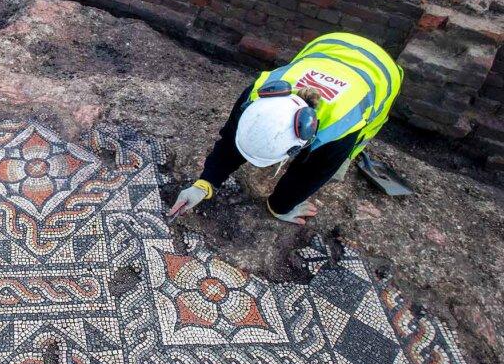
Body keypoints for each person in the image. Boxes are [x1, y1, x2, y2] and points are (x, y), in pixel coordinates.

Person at [168, 32, 403, 225]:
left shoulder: (339, 128)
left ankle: (346, 158)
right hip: (330, 44)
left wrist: (281, 205)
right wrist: (205, 183)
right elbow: (231, 141)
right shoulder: (257, 93)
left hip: (382, 75)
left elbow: (311, 174)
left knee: (339, 154)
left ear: (300, 145)